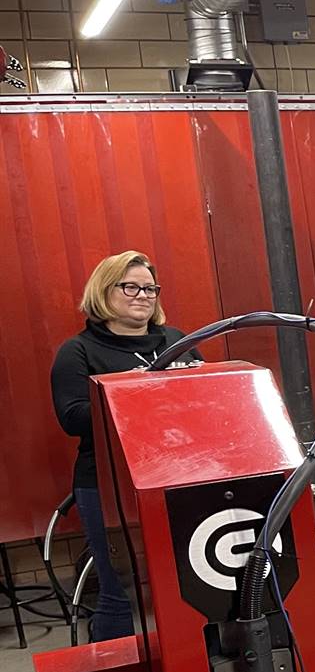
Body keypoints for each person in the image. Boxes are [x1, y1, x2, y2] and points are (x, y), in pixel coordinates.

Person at [50, 252, 188, 642]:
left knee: (184, 583)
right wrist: (133, 390)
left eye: (149, 288)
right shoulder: (77, 352)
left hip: (178, 477)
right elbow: (73, 418)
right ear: (103, 291)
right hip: (109, 485)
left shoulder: (176, 341)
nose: (142, 295)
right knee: (122, 592)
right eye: (130, 287)